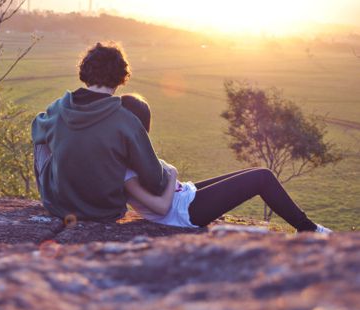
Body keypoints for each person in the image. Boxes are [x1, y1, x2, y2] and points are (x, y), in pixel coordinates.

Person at [121, 94, 333, 234]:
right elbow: (161, 207)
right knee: (262, 177)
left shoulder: (135, 153)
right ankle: (310, 230)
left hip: (186, 196)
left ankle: (307, 227)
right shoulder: (127, 170)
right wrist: (174, 174)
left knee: (254, 172)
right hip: (185, 213)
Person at [31, 42, 169, 221]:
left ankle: (58, 191)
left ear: (85, 72)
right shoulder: (126, 120)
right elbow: (155, 180)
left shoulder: (57, 109)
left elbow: (36, 130)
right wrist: (168, 176)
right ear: (121, 77)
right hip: (106, 211)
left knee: (42, 133)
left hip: (59, 207)